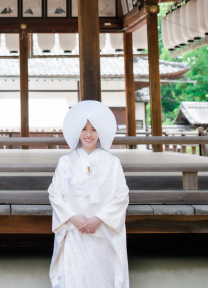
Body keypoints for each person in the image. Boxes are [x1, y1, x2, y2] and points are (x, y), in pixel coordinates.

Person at [48, 100, 130, 288]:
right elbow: (55, 193)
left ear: (100, 132)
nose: (89, 134)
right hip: (74, 231)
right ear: (78, 132)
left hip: (103, 231)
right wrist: (73, 218)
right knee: (74, 276)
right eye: (84, 129)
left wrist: (99, 219)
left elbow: (122, 196)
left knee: (103, 277)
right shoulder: (65, 162)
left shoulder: (112, 162)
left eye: (94, 129)